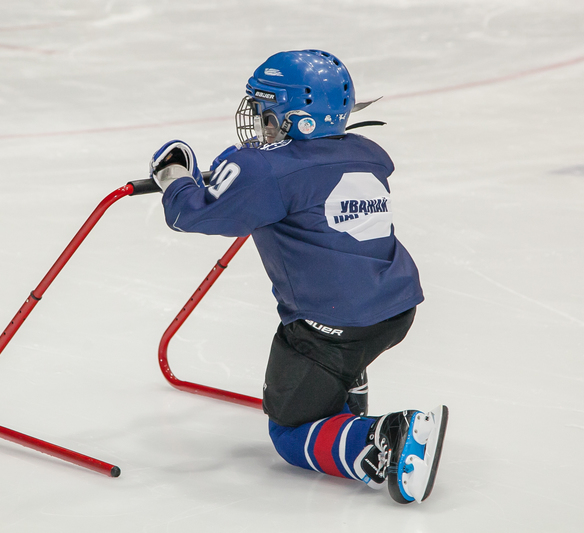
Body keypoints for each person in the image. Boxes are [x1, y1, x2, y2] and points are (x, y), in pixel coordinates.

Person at [149, 49, 448, 504]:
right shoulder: (369, 154)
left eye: (267, 111)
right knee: (345, 321)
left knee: (289, 430)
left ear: (296, 117)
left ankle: (385, 437)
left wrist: (174, 174)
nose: (259, 122)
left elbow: (194, 215)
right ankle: (348, 385)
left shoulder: (265, 169)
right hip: (396, 306)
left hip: (331, 328)